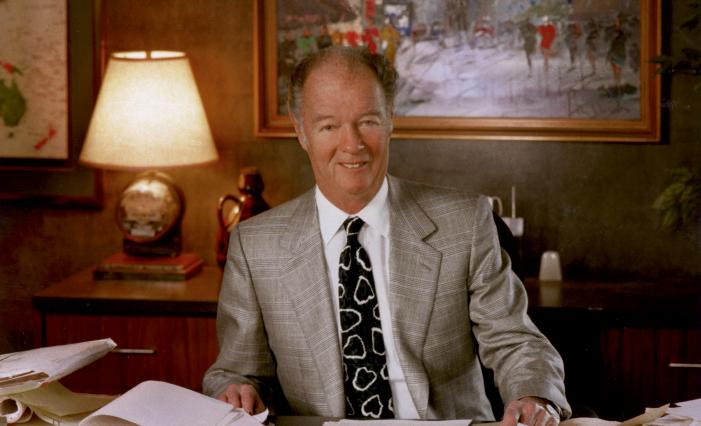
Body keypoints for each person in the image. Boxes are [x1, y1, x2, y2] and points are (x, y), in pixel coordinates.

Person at [203, 46, 570, 424]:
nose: (352, 145)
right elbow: (236, 371)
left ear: (390, 119)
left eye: (368, 121)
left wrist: (532, 396)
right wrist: (235, 391)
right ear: (301, 131)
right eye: (329, 126)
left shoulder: (465, 222)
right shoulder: (255, 245)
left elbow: (516, 341)